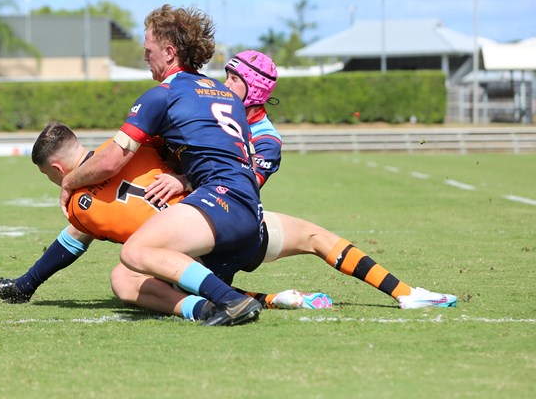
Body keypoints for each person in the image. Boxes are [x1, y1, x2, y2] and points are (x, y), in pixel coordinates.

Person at [133, 49, 457, 310]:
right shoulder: (213, 111)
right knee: (169, 283)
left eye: (233, 79)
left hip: (228, 221)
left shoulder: (266, 139)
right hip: (231, 221)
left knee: (155, 283)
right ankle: (278, 299)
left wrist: (184, 180)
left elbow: (239, 184)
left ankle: (405, 293)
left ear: (254, 89)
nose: (224, 84)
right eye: (226, 76)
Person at [0, 122, 333, 319]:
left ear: (57, 169)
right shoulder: (136, 146)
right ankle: (274, 297)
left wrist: (27, 283)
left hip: (198, 256)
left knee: (125, 277)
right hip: (236, 223)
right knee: (316, 239)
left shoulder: (81, 206)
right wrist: (182, 178)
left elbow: (73, 240)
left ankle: (212, 307)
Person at [60, 4, 271, 326]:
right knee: (125, 279)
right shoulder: (226, 95)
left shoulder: (163, 95)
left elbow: (111, 161)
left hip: (219, 203)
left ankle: (232, 301)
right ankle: (206, 309)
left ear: (169, 52)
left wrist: (69, 181)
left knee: (134, 251)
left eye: (149, 49)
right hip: (252, 215)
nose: (145, 56)